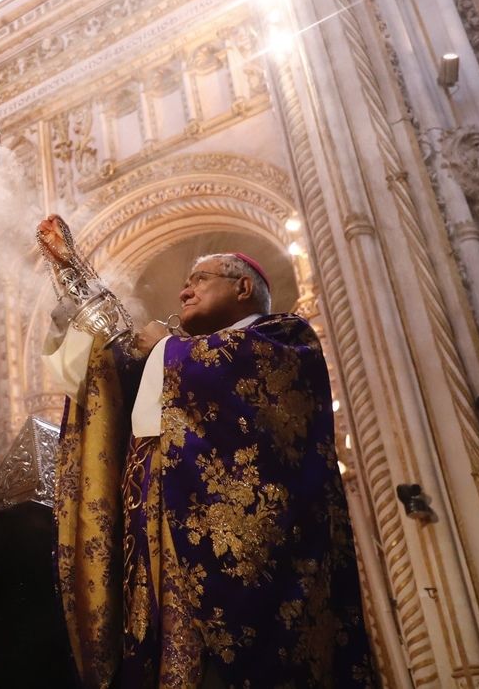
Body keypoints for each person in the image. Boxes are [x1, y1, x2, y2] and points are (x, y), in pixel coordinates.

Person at [42, 235, 375, 688]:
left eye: (200, 278)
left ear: (243, 288)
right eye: (186, 283)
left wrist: (165, 348)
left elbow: (255, 411)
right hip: (157, 537)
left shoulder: (284, 338)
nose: (184, 292)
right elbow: (113, 381)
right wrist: (73, 283)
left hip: (249, 567)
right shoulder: (172, 358)